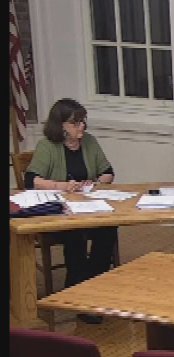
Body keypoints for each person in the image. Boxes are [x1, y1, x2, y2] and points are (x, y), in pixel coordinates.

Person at [26, 98, 117, 324]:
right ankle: (79, 293)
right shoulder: (48, 146)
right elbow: (32, 180)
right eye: (76, 123)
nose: (81, 126)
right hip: (59, 211)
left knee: (108, 229)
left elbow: (108, 172)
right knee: (74, 234)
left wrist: (95, 182)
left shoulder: (89, 142)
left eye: (83, 121)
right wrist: (61, 186)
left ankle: (91, 284)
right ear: (62, 126)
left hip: (89, 206)